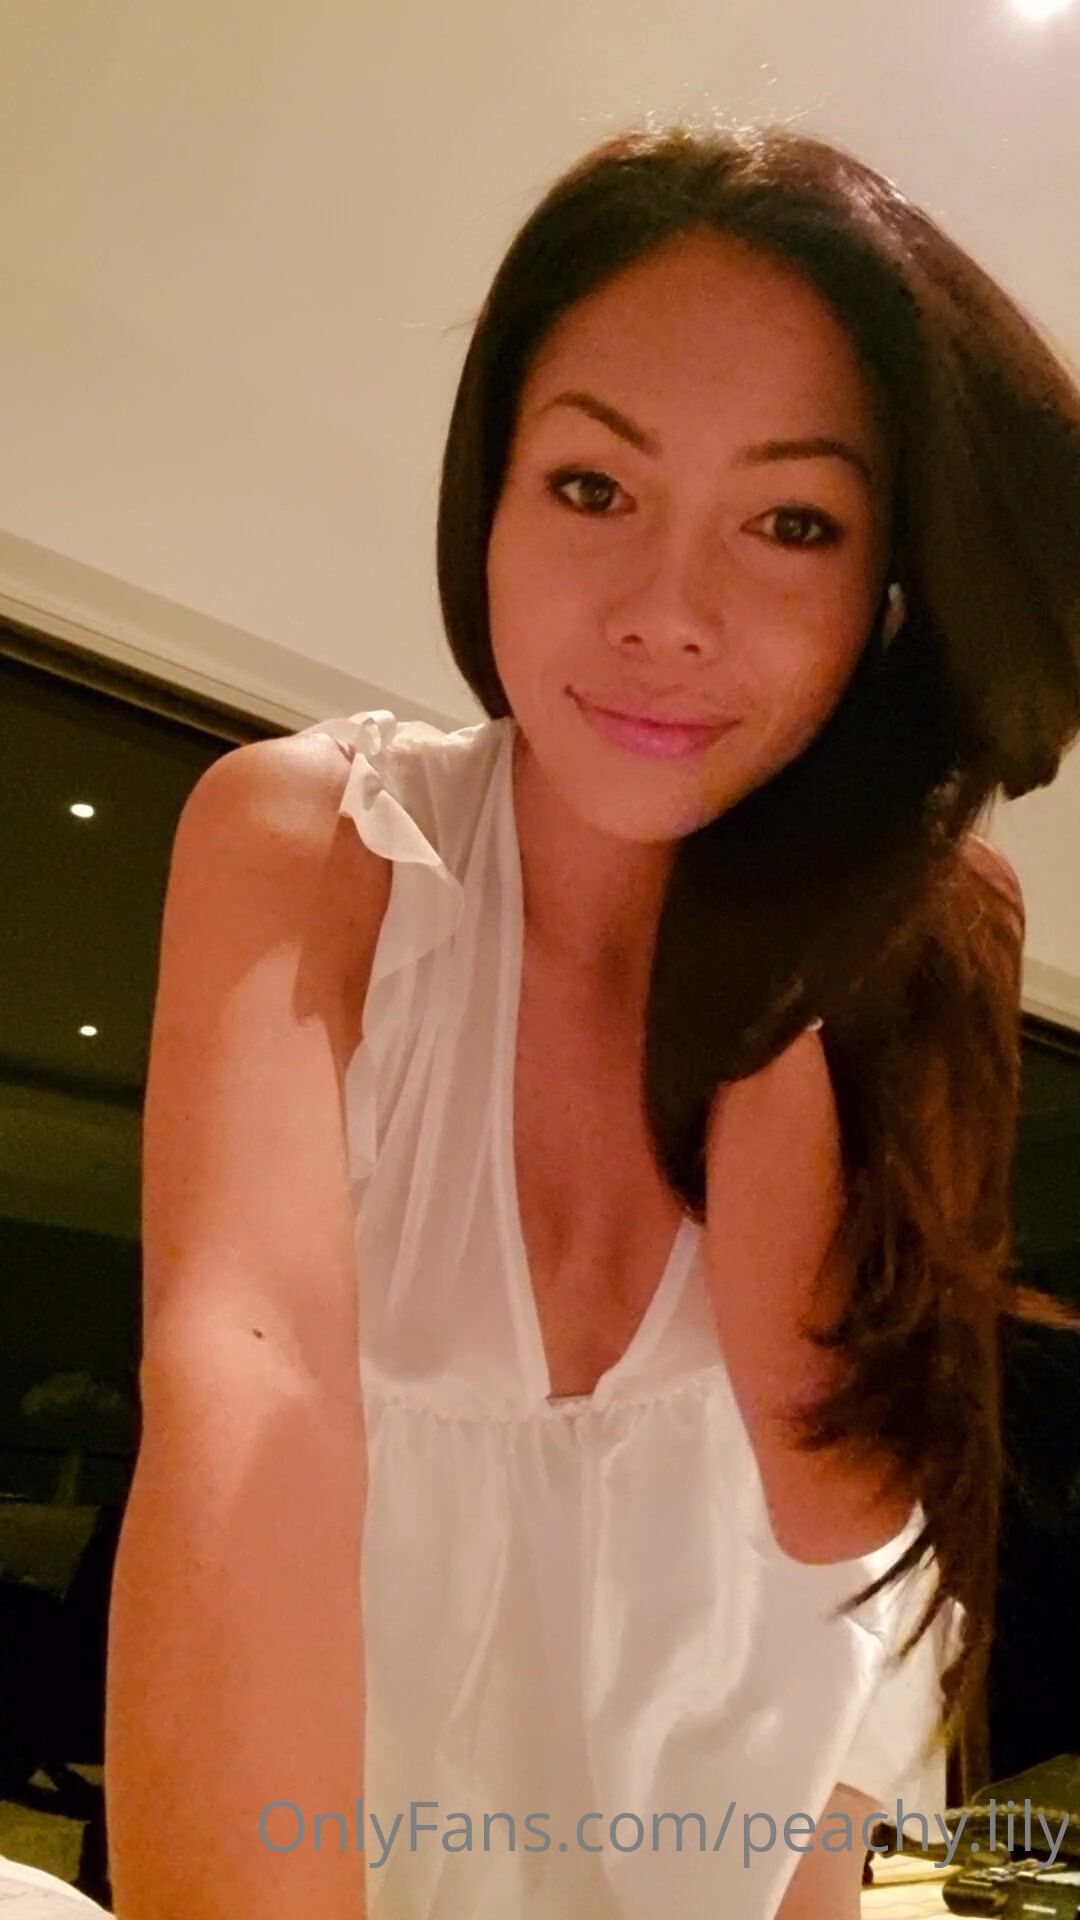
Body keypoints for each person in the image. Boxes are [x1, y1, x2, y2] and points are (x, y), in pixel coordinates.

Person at [105, 120, 1080, 1920]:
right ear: (488, 495)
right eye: (590, 486)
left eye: (793, 523)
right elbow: (251, 1398)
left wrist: (795, 958)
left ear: (890, 591)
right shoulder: (321, 848)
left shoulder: (929, 936)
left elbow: (846, 1542)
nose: (665, 615)